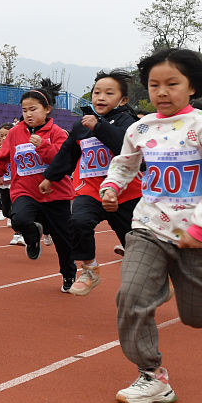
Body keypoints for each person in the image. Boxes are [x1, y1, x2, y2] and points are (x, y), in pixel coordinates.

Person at [100, 47, 202, 403]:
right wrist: (112, 186)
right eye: (154, 85)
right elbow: (124, 164)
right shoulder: (140, 128)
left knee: (200, 318)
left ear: (192, 86)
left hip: (198, 235)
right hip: (149, 226)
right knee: (130, 297)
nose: (161, 92)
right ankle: (152, 375)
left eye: (172, 84)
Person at [40, 71, 141, 297]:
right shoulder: (82, 125)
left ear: (122, 100)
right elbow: (68, 152)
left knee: (136, 244)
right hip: (91, 191)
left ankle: (154, 276)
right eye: (97, 92)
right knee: (78, 221)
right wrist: (51, 177)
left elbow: (124, 146)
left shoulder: (129, 122)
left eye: (109, 93)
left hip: (126, 193)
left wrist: (99, 127)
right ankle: (89, 268)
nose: (101, 97)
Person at [0, 79, 77, 292]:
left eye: (33, 109)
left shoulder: (57, 132)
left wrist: (44, 146)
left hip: (55, 193)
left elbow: (63, 160)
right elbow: (3, 154)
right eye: (24, 110)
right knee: (19, 219)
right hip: (25, 189)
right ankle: (32, 238)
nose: (28, 114)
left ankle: (68, 274)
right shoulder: (15, 132)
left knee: (63, 239)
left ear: (47, 109)